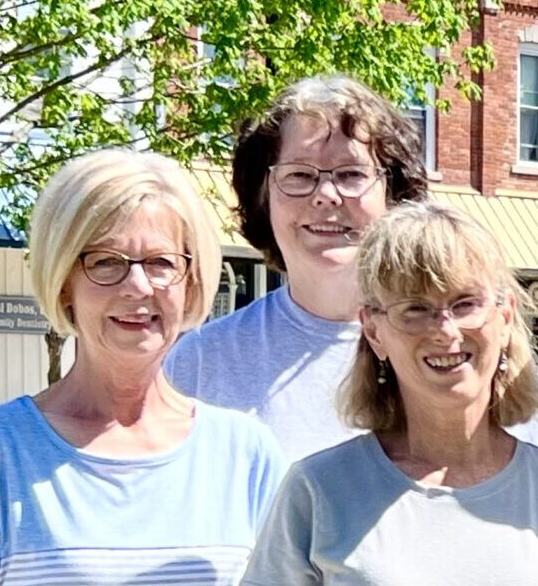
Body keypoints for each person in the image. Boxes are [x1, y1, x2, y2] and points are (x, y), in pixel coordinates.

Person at [0, 150, 284, 586]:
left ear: (191, 281)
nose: (137, 286)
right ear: (64, 281)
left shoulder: (247, 453)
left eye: (161, 262)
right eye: (105, 261)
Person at [242, 202, 538, 586]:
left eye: (465, 303)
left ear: (505, 314)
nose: (445, 330)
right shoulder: (316, 492)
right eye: (415, 310)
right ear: (373, 330)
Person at [166, 75, 435, 459]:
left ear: (394, 194)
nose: (326, 195)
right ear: (263, 197)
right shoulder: (201, 364)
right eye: (299, 175)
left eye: (351, 174)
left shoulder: (451, 349)